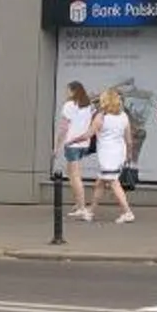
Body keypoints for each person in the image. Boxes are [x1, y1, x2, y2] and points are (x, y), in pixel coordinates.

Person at [90, 87, 137, 223]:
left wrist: (76, 139)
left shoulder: (102, 117)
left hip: (107, 155)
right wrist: (128, 155)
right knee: (100, 182)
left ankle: (127, 212)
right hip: (118, 154)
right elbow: (128, 140)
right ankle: (91, 211)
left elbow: (90, 133)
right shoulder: (123, 116)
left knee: (113, 182)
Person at [54, 82, 98, 222]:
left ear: (73, 91)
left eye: (68, 90)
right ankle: (79, 203)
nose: (66, 93)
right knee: (72, 174)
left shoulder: (69, 105)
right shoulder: (89, 106)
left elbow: (63, 128)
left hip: (72, 143)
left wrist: (57, 146)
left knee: (75, 176)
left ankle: (82, 208)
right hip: (83, 144)